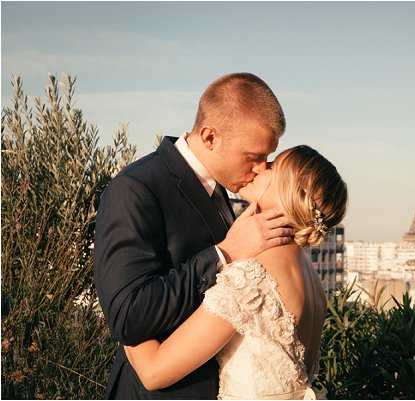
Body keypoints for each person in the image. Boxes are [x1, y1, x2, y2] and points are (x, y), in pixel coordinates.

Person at [94, 73, 294, 399]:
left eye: (266, 158)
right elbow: (128, 316)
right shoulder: (136, 189)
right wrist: (224, 254)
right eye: (253, 157)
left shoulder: (225, 193)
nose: (262, 169)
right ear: (210, 137)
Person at [124, 145, 348, 399]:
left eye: (273, 166)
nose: (261, 167)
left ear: (290, 191)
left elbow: (154, 371)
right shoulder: (309, 276)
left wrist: (121, 301)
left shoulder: (255, 276)